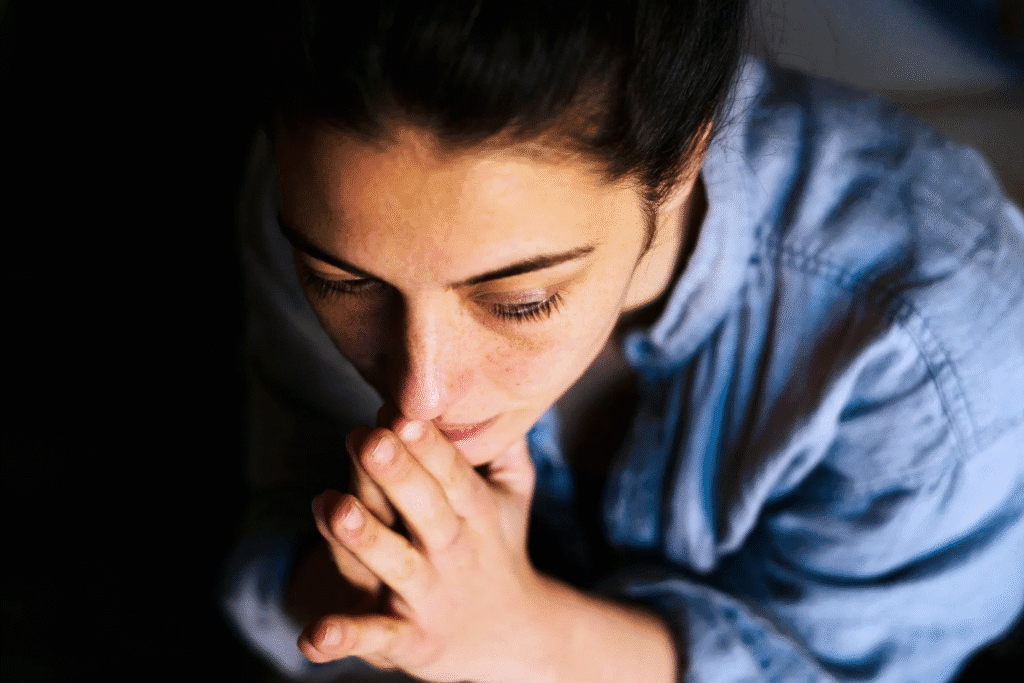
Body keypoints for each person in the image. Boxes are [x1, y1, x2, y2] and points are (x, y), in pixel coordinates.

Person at [221, 1, 1024, 681]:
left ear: (679, 164)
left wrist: (526, 633)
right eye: (342, 284)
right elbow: (278, 522)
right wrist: (384, 590)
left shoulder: (933, 346)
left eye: (522, 301)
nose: (417, 394)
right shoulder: (322, 195)